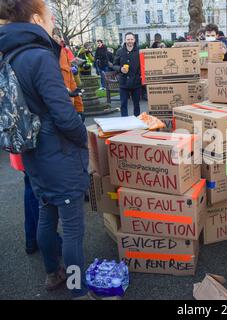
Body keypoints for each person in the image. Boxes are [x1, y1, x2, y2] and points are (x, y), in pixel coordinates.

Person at [0, 0, 90, 299]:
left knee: (46, 213)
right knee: (74, 228)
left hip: (32, 151)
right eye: (50, 16)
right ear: (37, 19)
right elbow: (64, 115)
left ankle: (53, 273)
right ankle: (78, 289)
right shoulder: (39, 56)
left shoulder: (10, 54)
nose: (52, 22)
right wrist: (82, 137)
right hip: (58, 153)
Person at [53, 28, 84, 120]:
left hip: (69, 107)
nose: (57, 40)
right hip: (62, 108)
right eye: (54, 37)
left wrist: (79, 109)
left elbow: (72, 83)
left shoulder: (64, 51)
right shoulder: (49, 54)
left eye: (58, 37)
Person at [113, 32, 141, 117]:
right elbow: (114, 65)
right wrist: (120, 69)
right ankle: (124, 122)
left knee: (136, 104)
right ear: (125, 40)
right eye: (128, 39)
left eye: (131, 39)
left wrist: (140, 75)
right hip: (124, 82)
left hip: (136, 82)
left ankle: (137, 120)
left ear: (134, 40)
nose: (130, 41)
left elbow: (143, 65)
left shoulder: (139, 51)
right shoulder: (120, 51)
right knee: (123, 104)